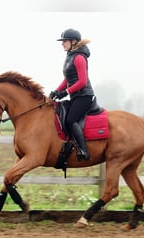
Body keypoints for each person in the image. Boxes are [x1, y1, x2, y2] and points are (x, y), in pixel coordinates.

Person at [49, 28, 95, 161]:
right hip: (76, 96)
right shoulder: (70, 56)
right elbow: (67, 80)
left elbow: (82, 81)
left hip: (84, 96)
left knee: (70, 119)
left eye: (64, 41)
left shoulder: (79, 57)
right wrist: (56, 91)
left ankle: (83, 150)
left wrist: (66, 92)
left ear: (73, 42)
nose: (62, 44)